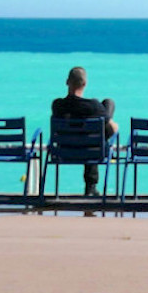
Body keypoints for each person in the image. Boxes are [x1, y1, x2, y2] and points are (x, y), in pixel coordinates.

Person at [50, 66, 117, 196]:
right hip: (92, 150)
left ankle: (91, 186)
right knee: (108, 104)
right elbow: (114, 129)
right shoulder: (94, 106)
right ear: (84, 84)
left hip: (65, 150)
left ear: (67, 82)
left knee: (91, 137)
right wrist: (108, 118)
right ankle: (91, 187)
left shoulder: (57, 105)